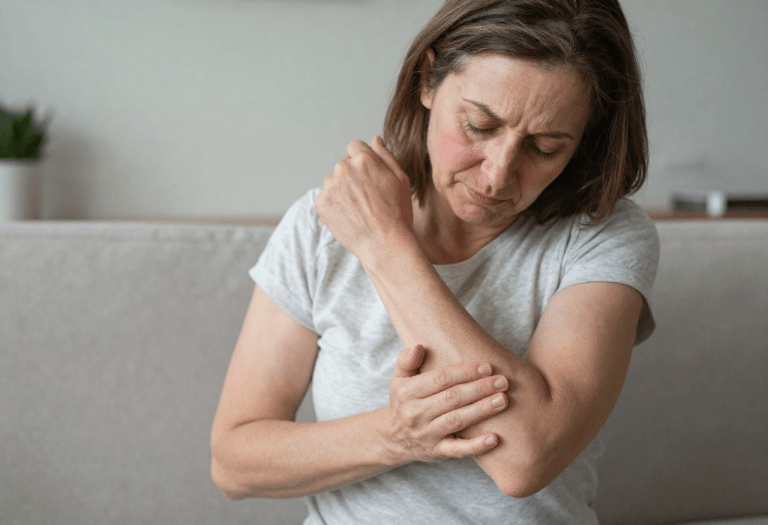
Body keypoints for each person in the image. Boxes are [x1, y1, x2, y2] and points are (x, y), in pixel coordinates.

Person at [211, 0, 660, 523]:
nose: (497, 175)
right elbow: (234, 463)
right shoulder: (320, 228)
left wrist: (385, 246)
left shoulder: (603, 236)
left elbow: (523, 459)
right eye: (478, 125)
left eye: (544, 148)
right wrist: (393, 436)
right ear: (428, 81)